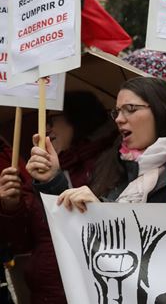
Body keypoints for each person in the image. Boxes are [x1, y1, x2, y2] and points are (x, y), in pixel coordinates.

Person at [1, 91, 116, 304]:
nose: (46, 129)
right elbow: (21, 242)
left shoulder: (112, 164)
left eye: (53, 119)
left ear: (79, 119)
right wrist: (11, 205)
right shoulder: (40, 171)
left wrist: (53, 182)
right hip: (47, 294)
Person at [30, 77, 166, 212]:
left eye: (130, 109)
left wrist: (103, 210)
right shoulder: (111, 164)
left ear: (160, 111)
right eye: (117, 111)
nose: (119, 119)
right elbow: (79, 227)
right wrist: (51, 179)